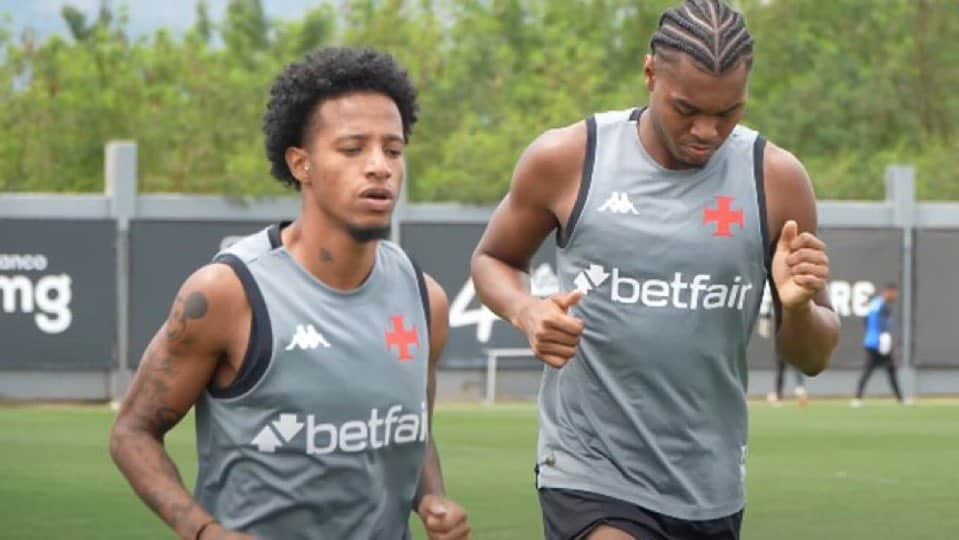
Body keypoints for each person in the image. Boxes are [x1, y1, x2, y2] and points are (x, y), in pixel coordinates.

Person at [471, 1, 840, 538]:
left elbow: (811, 357)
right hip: (589, 470)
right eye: (686, 109)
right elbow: (493, 259)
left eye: (728, 112)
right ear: (649, 75)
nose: (707, 131)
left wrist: (800, 305)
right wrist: (527, 311)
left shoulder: (776, 179)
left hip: (710, 487)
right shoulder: (571, 158)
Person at [109, 47, 470, 540]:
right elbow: (132, 433)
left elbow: (414, 428)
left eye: (393, 149)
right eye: (353, 148)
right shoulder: (228, 295)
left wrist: (431, 498)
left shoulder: (425, 300)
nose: (379, 167)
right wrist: (203, 531)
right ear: (301, 164)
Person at [852, 283, 905, 406]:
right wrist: (883, 336)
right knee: (881, 371)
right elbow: (882, 324)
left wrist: (872, 333)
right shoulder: (883, 306)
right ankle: (900, 399)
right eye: (894, 292)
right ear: (888, 292)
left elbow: (865, 319)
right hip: (880, 343)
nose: (895, 295)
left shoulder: (874, 303)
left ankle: (857, 398)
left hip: (871, 341)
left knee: (884, 370)